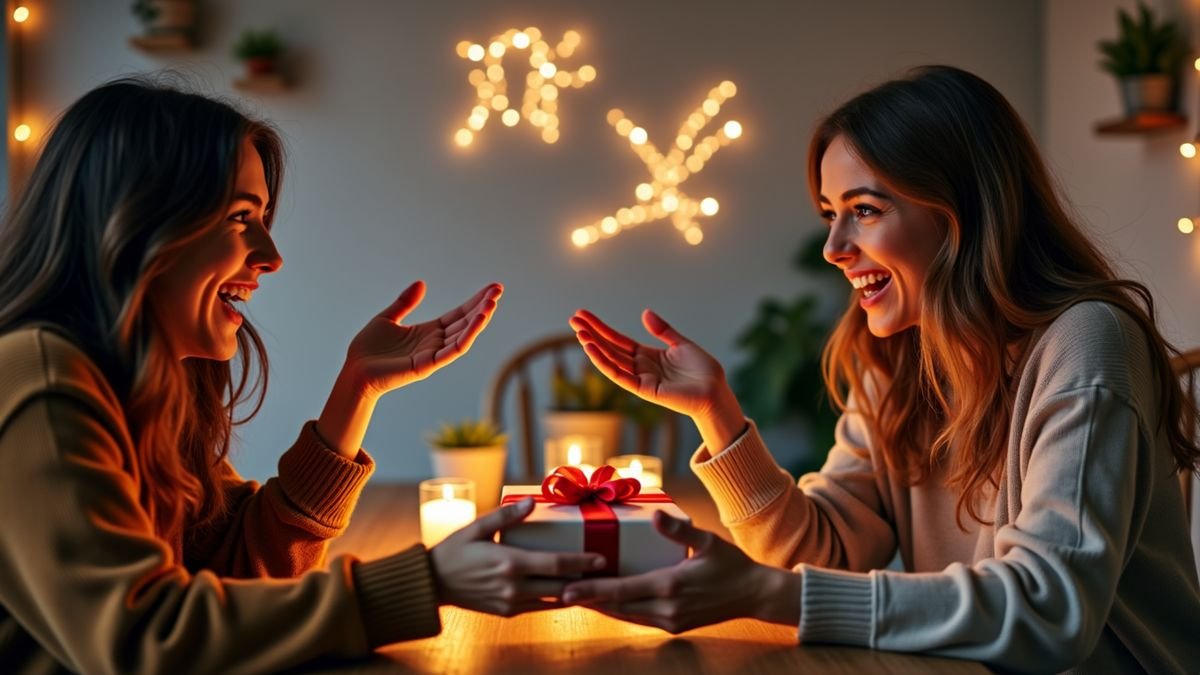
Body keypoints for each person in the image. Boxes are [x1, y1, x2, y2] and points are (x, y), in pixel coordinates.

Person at [562, 65, 1200, 673]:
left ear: (963, 212)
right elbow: (826, 548)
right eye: (829, 213)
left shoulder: (1087, 341)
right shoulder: (901, 358)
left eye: (864, 210)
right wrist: (717, 414)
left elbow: (1047, 609)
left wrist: (767, 595)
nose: (835, 248)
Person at [0, 77, 602, 674]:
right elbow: (144, 642)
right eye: (242, 217)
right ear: (134, 221)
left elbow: (237, 565)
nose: (271, 255)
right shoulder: (43, 382)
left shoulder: (149, 384)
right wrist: (426, 583)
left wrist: (357, 388)